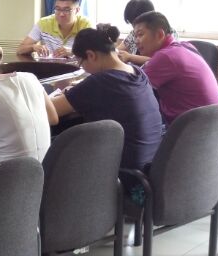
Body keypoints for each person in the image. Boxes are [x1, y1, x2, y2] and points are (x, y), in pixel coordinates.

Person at [49, 25, 162, 170]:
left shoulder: (101, 81)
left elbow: (50, 111)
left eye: (80, 62)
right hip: (149, 164)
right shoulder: (137, 72)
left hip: (122, 171)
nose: (83, 67)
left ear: (91, 55)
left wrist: (34, 87)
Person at [133, 11, 218, 125]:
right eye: (135, 36)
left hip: (187, 130)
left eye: (140, 35)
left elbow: (131, 90)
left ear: (160, 34)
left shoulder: (165, 57)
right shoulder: (186, 46)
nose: (136, 41)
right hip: (212, 129)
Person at [19, 0, 92, 59]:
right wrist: (33, 47)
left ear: (77, 10)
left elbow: (94, 54)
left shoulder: (85, 25)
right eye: (58, 9)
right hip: (51, 66)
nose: (61, 14)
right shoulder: (44, 23)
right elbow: (20, 50)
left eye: (66, 10)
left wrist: (73, 52)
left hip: (76, 67)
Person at [117, 0, 155, 66]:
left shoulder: (166, 33)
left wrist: (130, 57)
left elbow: (159, 60)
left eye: (134, 22)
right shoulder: (133, 33)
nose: (134, 27)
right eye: (131, 23)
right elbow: (118, 50)